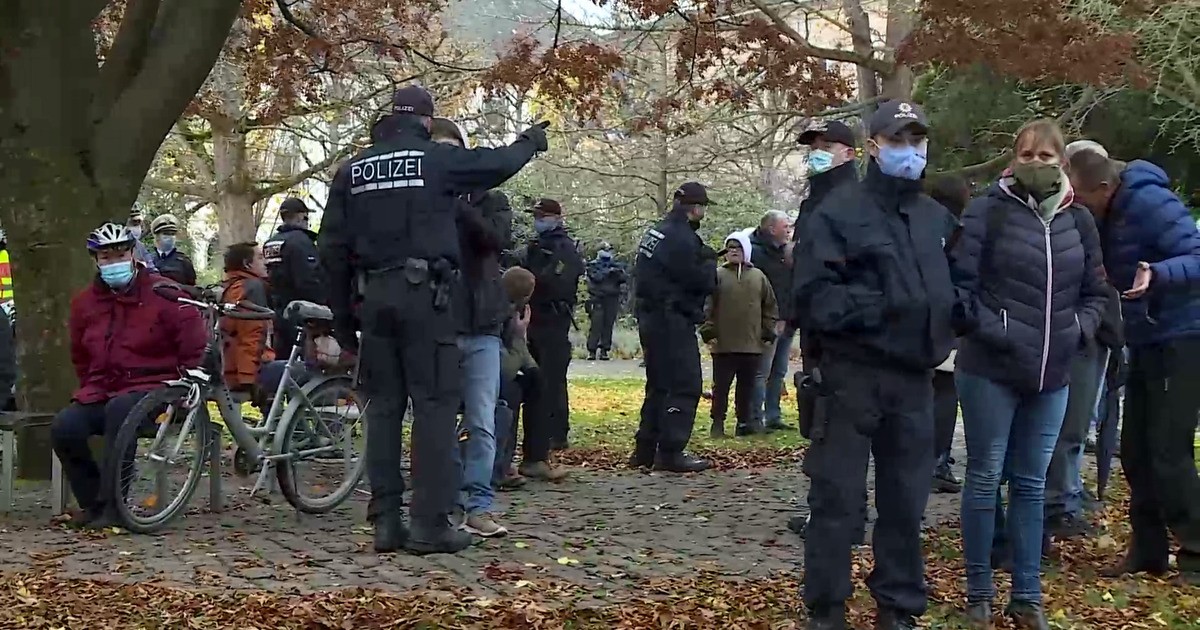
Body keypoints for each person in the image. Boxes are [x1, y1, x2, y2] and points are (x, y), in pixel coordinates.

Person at [319, 84, 548, 555]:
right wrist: (528, 141)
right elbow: (494, 164)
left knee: (383, 410)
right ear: (426, 122)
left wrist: (343, 321)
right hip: (427, 299)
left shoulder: (352, 171)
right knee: (435, 409)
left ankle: (385, 520)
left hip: (375, 298)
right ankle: (430, 523)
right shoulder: (433, 160)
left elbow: (332, 251)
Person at [792, 100, 956, 630]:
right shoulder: (838, 213)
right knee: (838, 498)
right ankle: (827, 607)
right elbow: (814, 298)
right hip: (849, 377)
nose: (909, 150)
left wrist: (959, 315)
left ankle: (898, 606)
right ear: (873, 146)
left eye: (916, 140)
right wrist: (883, 304)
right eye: (897, 140)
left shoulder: (937, 220)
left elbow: (963, 285)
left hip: (915, 380)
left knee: (906, 503)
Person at [950, 119, 1109, 628]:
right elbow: (960, 291)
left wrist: (1075, 331)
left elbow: (1096, 291)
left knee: (1031, 484)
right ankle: (979, 591)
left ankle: (1027, 595)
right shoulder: (985, 213)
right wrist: (997, 330)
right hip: (990, 369)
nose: (1036, 164)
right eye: (1027, 155)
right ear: (1013, 160)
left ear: (1062, 163)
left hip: (1052, 373)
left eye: (1046, 157)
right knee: (983, 478)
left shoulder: (1078, 220)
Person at [1067, 148, 1200, 585]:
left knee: (1168, 448)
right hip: (1146, 336)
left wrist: (1158, 274)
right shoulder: (1106, 209)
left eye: (1083, 200)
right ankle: (1148, 549)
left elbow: (1196, 255)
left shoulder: (1149, 201)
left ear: (1104, 188)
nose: (1080, 208)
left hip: (1183, 334)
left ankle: (1196, 550)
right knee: (1136, 450)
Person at [51, 223, 206, 527]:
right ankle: (95, 503)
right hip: (104, 389)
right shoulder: (85, 304)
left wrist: (187, 384)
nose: (114, 262)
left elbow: (193, 342)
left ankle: (115, 505)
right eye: (106, 257)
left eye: (120, 254)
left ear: (133, 254)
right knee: (65, 427)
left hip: (157, 390)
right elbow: (79, 355)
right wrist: (89, 388)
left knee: (121, 411)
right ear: (95, 260)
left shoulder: (164, 292)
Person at [429, 116, 516, 538]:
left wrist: (461, 205)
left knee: (482, 420)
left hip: (481, 325)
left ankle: (478, 503)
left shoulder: (491, 200)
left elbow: (497, 240)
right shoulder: (426, 198)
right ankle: (444, 502)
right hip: (440, 323)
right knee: (439, 420)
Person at [631, 182, 718, 473]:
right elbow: (700, 281)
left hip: (650, 316)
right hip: (672, 318)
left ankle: (645, 449)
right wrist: (708, 263)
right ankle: (670, 450)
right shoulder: (683, 239)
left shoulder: (656, 232)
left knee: (658, 384)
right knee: (684, 383)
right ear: (696, 208)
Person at [519, 198, 584, 451]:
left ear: (555, 217)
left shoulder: (564, 247)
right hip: (534, 317)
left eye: (542, 215)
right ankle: (540, 431)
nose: (538, 220)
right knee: (535, 377)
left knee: (552, 378)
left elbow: (560, 280)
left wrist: (532, 281)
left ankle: (557, 433)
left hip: (553, 318)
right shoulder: (537, 245)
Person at [699, 231, 777, 438]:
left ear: (747, 251)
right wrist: (708, 330)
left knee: (747, 387)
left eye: (738, 248)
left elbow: (770, 306)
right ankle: (717, 423)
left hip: (751, 344)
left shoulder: (759, 277)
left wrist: (768, 330)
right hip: (723, 343)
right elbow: (707, 305)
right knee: (721, 386)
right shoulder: (717, 275)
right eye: (730, 249)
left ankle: (744, 423)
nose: (734, 252)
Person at [926, 174, 972, 495]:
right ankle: (937, 460)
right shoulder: (955, 231)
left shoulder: (917, 222)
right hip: (945, 323)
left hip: (916, 320)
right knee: (944, 392)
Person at [219, 242, 287, 405]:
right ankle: (296, 429)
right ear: (247, 264)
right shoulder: (252, 288)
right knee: (305, 370)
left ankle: (276, 423)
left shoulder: (228, 287)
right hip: (245, 373)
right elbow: (252, 336)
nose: (265, 262)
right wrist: (249, 380)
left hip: (227, 371)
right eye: (260, 257)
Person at [748, 210, 795, 433]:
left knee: (779, 371)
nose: (788, 230)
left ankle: (773, 415)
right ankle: (755, 418)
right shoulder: (755, 253)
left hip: (787, 319)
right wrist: (771, 320)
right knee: (761, 371)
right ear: (771, 228)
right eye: (785, 226)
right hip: (766, 322)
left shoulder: (784, 253)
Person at [264, 197, 326, 359]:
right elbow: (309, 280)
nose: (307, 222)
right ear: (299, 216)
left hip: (277, 311)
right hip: (300, 313)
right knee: (306, 362)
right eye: (306, 217)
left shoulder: (270, 243)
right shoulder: (301, 241)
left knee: (283, 359)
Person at [585, 243, 628, 361]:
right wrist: (608, 271)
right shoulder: (593, 265)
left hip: (612, 298)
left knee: (608, 324)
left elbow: (624, 278)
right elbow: (596, 277)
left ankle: (604, 350)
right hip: (597, 298)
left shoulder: (616, 265)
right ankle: (592, 351)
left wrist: (617, 271)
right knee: (596, 324)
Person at [148, 214, 197, 286]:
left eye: (172, 234)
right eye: (166, 233)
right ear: (156, 236)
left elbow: (192, 287)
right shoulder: (148, 260)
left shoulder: (184, 261)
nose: (170, 237)